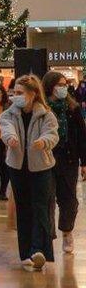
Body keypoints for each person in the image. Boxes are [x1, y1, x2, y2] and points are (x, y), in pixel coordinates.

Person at [0, 74, 59, 272]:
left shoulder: (46, 114)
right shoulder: (8, 114)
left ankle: (38, 250)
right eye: (14, 92)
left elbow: (52, 134)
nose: (15, 96)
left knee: (41, 207)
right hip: (17, 168)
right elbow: (6, 129)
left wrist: (43, 142)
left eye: (20, 93)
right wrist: (10, 138)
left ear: (33, 94)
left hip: (41, 167)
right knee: (23, 208)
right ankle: (25, 254)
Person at [42, 71, 86, 254]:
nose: (63, 87)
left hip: (68, 158)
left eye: (64, 84)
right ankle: (48, 237)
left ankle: (67, 232)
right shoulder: (42, 108)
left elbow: (82, 136)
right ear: (50, 86)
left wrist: (84, 162)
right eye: (59, 84)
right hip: (47, 159)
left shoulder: (73, 108)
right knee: (47, 198)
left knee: (69, 200)